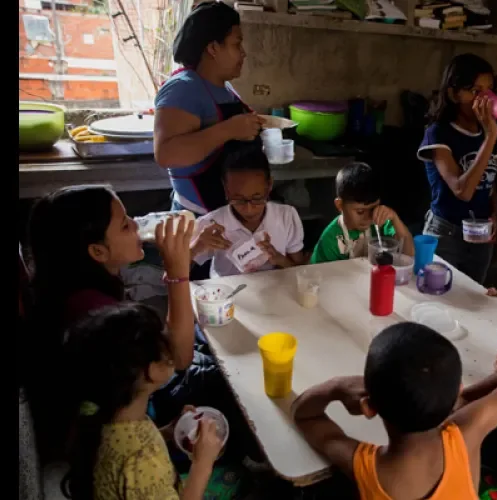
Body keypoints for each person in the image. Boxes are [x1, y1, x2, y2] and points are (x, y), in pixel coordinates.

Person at [25, 186, 256, 464]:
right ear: (98, 251)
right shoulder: (94, 313)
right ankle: (243, 460)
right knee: (230, 380)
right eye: (124, 225)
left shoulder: (72, 285)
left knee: (208, 346)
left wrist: (188, 255)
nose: (136, 224)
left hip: (122, 390)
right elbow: (179, 358)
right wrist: (178, 272)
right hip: (125, 426)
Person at [292, 322, 497, 499]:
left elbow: (304, 413)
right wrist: (459, 398)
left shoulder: (363, 465)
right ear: (457, 390)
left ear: (369, 407)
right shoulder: (467, 431)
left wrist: (337, 386)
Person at [61, 303, 224, 500]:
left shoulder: (106, 414)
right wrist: (202, 464)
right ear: (152, 370)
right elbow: (138, 467)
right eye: (161, 337)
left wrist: (166, 433)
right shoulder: (141, 461)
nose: (168, 339)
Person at [154, 1, 264, 216]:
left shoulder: (225, 88)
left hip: (224, 213)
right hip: (197, 217)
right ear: (213, 48)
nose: (243, 53)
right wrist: (229, 129)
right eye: (236, 44)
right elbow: (167, 154)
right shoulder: (183, 88)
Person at [417, 53, 497, 284]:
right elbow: (462, 190)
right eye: (475, 91)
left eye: (489, 90)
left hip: (479, 235)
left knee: (472, 298)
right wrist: (491, 136)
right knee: (440, 296)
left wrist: (494, 215)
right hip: (446, 233)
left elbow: (489, 183)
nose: (484, 98)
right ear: (454, 94)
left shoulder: (487, 133)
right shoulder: (438, 133)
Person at [191, 147, 306, 277]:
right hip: (228, 293)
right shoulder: (212, 223)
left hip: (274, 290)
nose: (249, 209)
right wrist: (196, 247)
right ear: (226, 189)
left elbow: (300, 271)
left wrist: (280, 259)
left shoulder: (286, 216)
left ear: (269, 186)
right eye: (238, 199)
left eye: (257, 198)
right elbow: (173, 274)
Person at [310, 162, 413, 264]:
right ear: (340, 205)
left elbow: (409, 255)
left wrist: (395, 218)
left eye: (373, 209)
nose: (368, 217)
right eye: (360, 212)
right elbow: (318, 275)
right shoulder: (331, 239)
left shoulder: (381, 222)